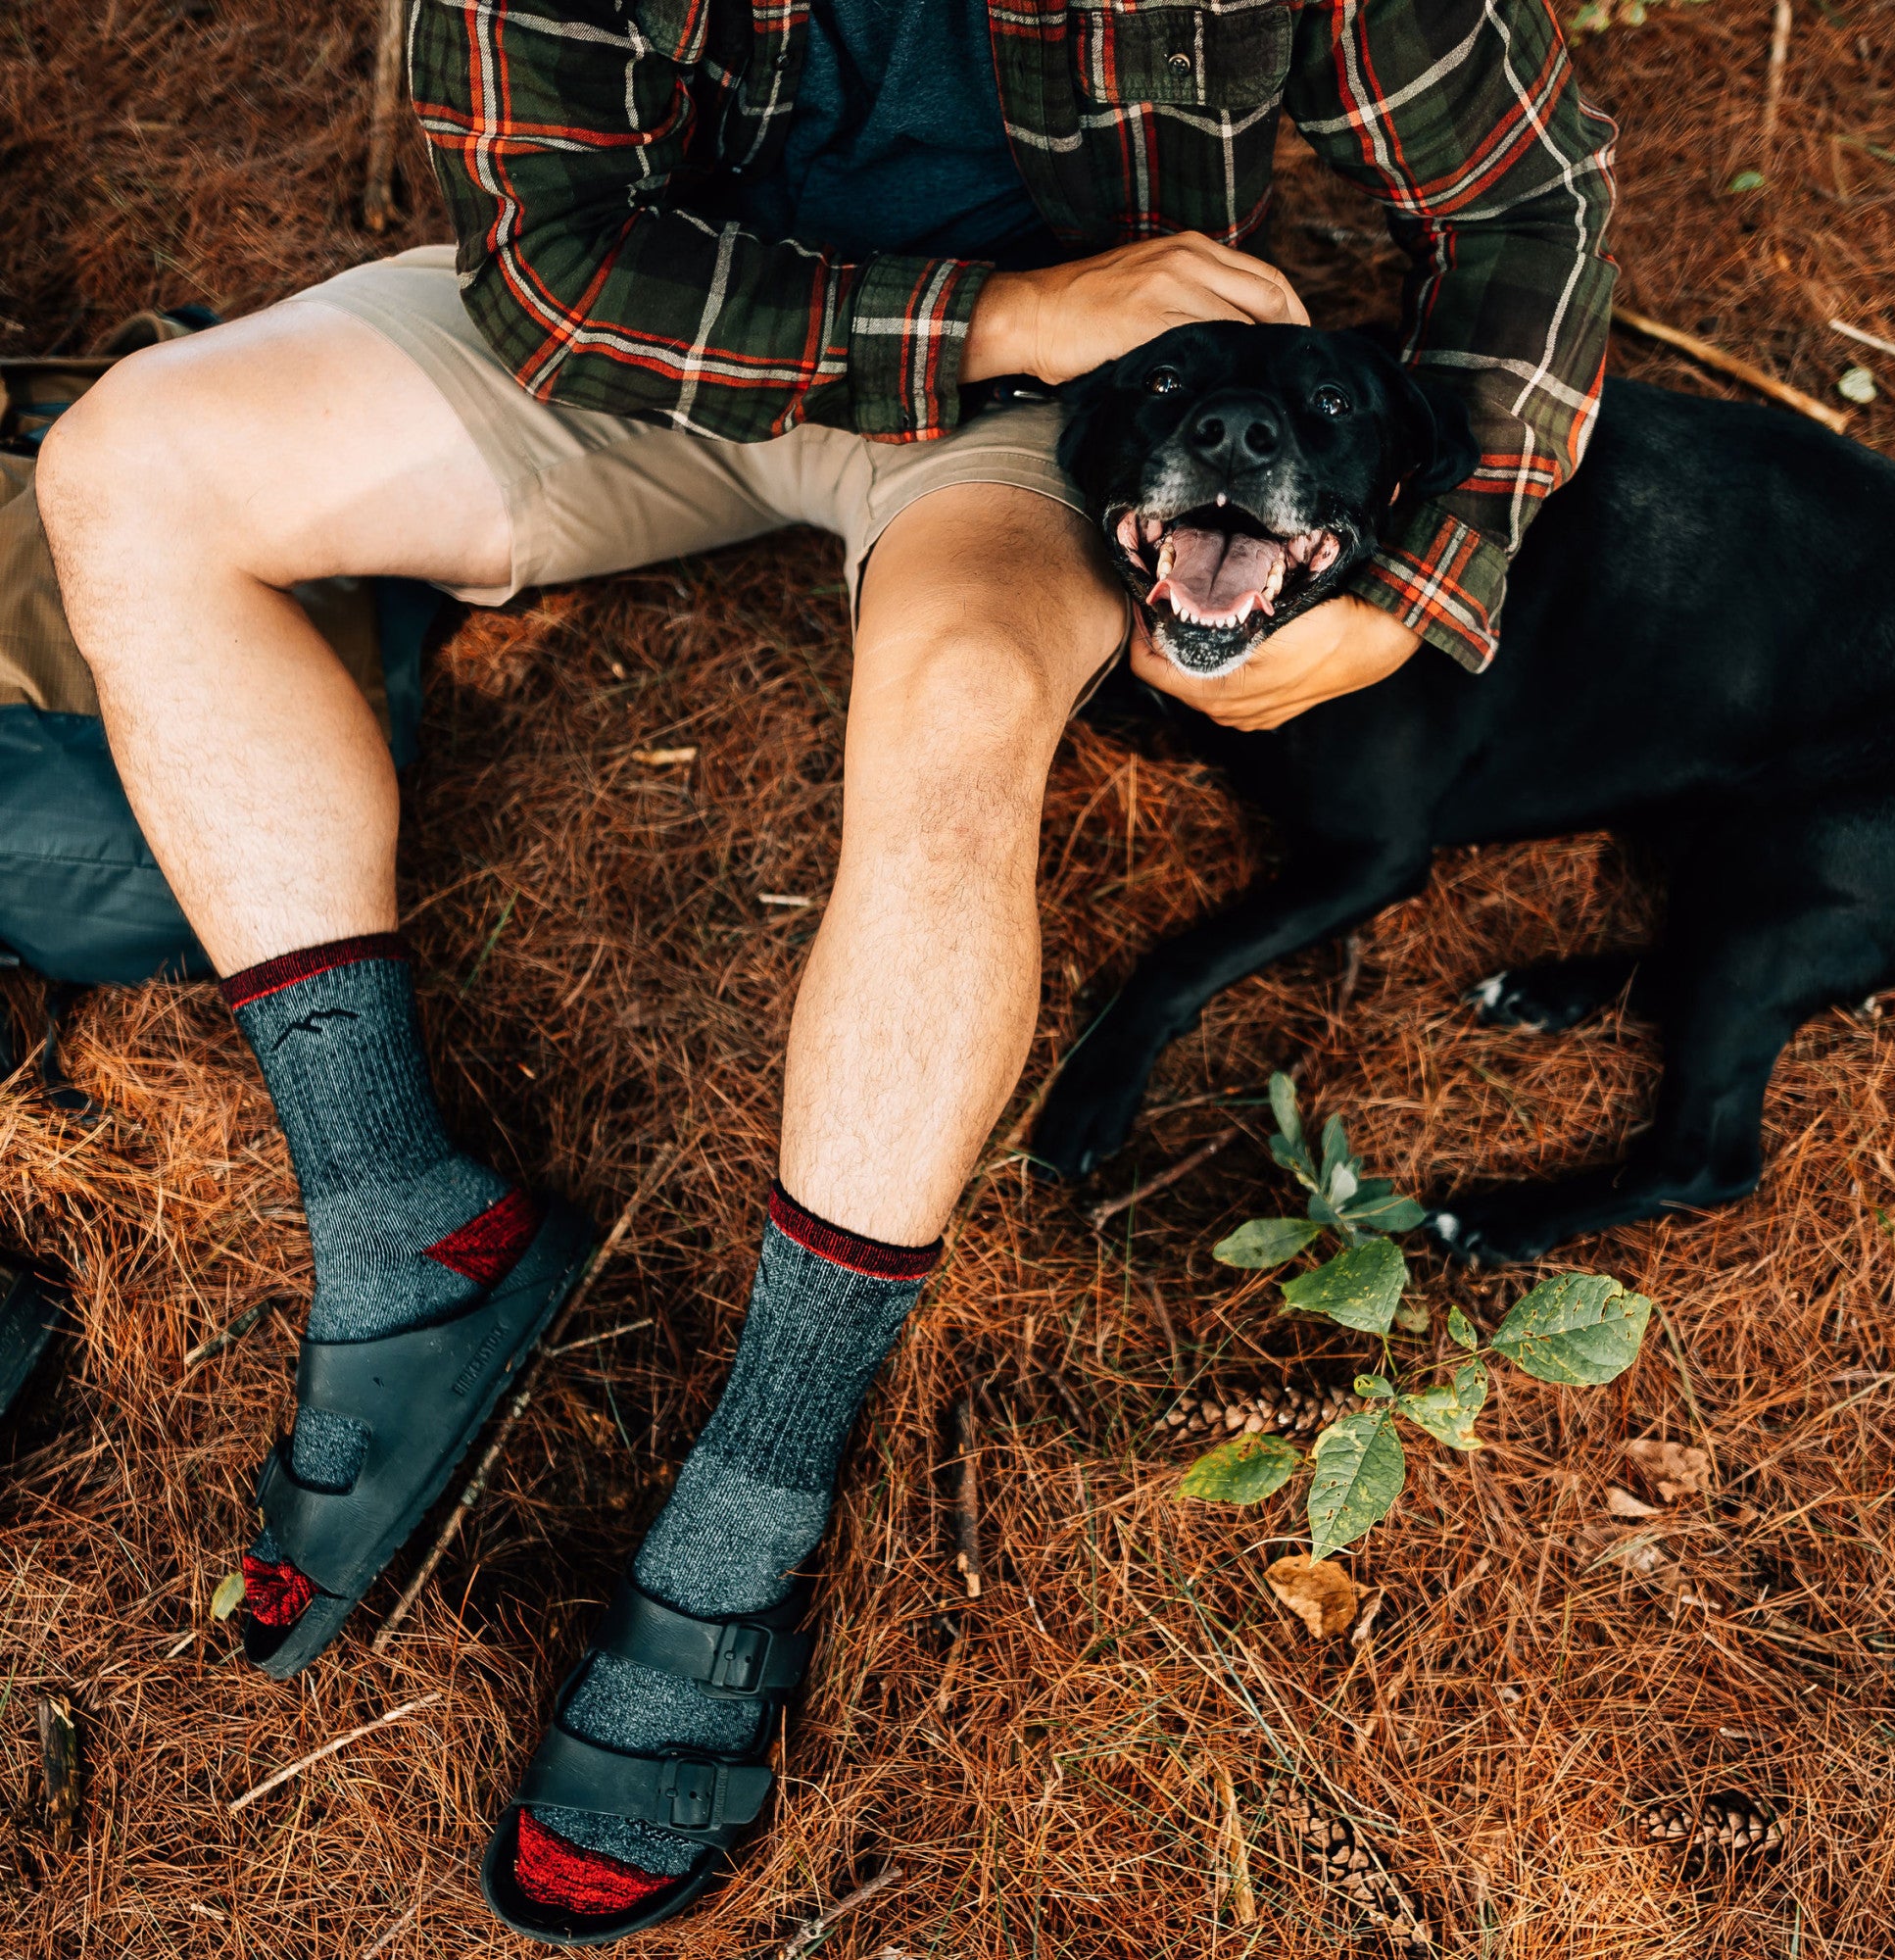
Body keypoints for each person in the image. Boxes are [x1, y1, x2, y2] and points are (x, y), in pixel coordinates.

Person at [35, 0, 1616, 1939]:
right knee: (130, 461)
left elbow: (1531, 195)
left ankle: (747, 1511)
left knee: (961, 698)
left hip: (1044, 425)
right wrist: (1002, 313)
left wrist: (1426, 576)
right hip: (667, 354)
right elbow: (548, 262)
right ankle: (397, 1229)